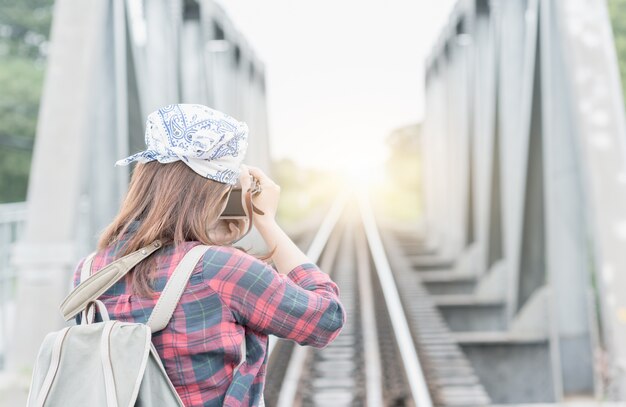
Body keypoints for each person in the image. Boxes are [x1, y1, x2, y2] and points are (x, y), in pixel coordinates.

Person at [72, 104, 346, 407]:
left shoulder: (89, 272)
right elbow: (326, 318)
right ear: (216, 190)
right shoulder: (221, 269)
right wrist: (266, 221)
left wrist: (212, 239)